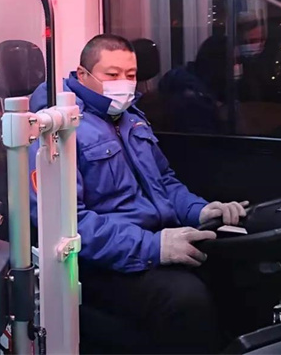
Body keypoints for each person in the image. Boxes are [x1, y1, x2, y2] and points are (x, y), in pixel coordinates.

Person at [28, 34, 248, 354]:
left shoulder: (132, 119)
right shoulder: (58, 132)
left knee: (234, 269)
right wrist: (152, 247)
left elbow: (165, 182)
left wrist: (199, 210)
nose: (124, 83)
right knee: (185, 299)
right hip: (100, 262)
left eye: (130, 75)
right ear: (83, 75)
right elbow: (67, 222)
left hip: (153, 239)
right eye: (112, 74)